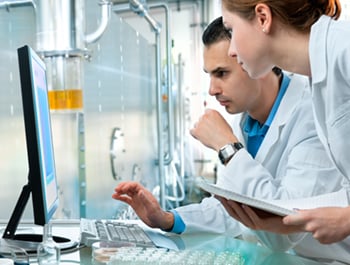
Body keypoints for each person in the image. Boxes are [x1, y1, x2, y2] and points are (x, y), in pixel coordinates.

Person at [112, 17, 341, 244]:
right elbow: (232, 210)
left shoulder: (311, 114)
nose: (212, 90)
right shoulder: (243, 123)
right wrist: (167, 219)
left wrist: (228, 147)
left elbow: (288, 224)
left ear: (256, 61)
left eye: (222, 73)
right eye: (209, 74)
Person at [217, 0, 350, 262]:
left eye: (231, 30)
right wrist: (290, 219)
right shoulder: (319, 79)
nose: (231, 50)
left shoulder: (343, 49)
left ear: (263, 17)